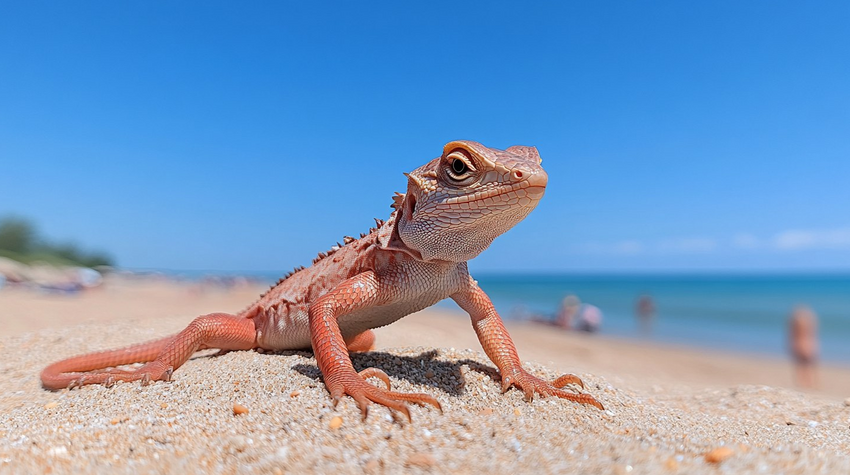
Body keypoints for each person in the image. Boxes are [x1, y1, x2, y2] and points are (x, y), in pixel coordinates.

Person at [788, 305, 819, 389]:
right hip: (807, 343)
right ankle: (808, 383)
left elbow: (793, 334)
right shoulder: (808, 320)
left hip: (802, 343)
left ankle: (805, 383)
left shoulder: (798, 321)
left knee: (803, 364)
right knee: (807, 364)